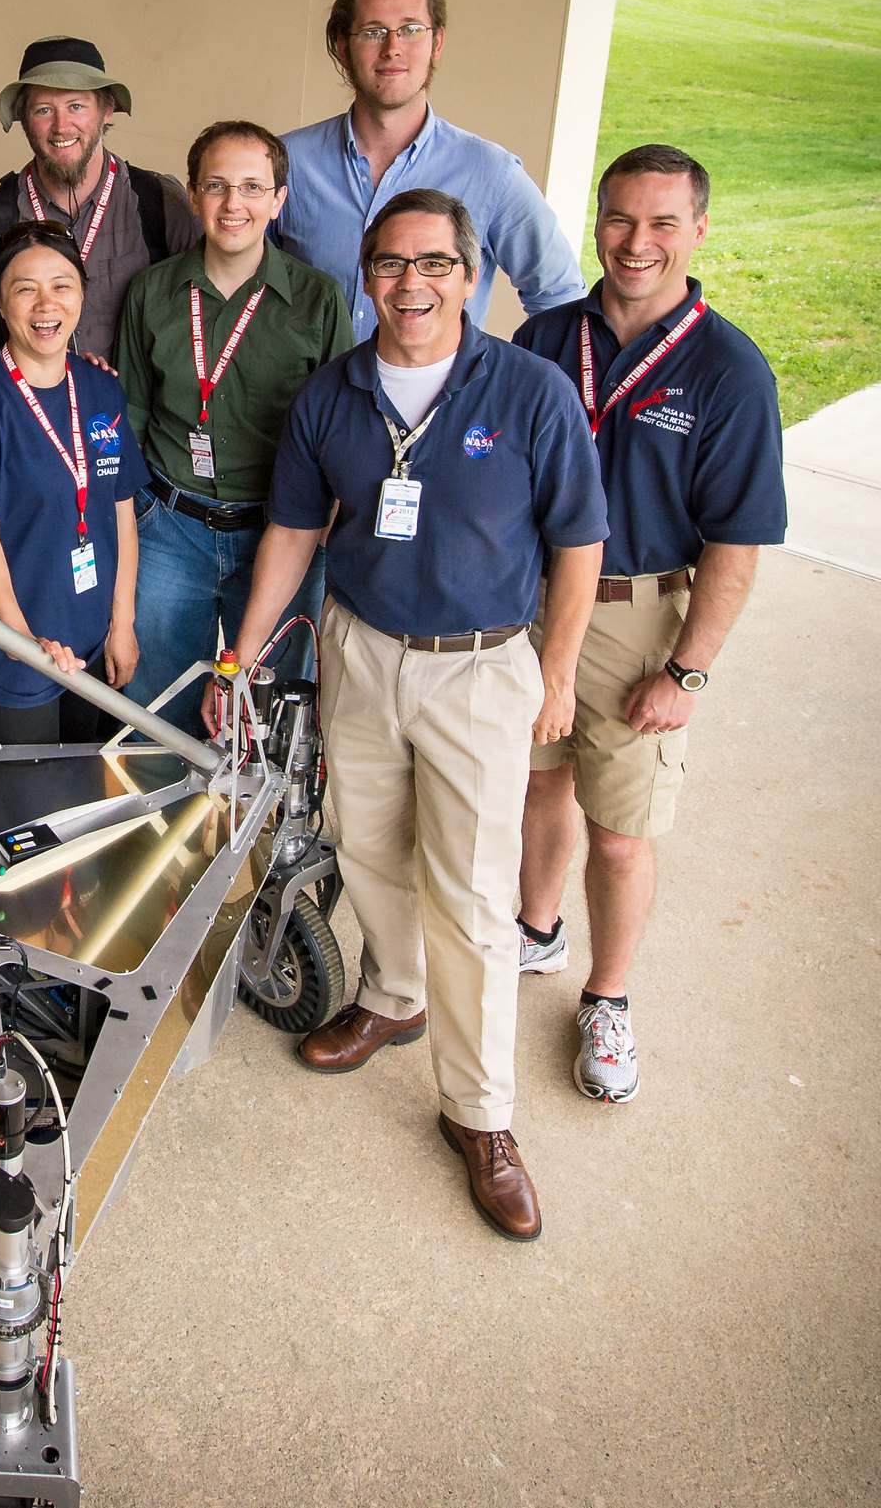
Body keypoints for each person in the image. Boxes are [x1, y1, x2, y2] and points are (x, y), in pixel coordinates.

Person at [224, 188, 606, 1242]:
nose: (410, 285)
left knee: (474, 898)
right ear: (365, 275)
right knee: (371, 849)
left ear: (469, 274)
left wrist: (559, 672)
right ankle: (393, 994)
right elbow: (294, 536)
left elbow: (578, 543)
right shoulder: (330, 395)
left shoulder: (527, 391)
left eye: (432, 263)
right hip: (358, 649)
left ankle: (477, 1115)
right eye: (389, 264)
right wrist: (243, 649)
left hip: (479, 671)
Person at [512, 145, 786, 1104]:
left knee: (620, 830)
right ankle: (534, 929)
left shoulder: (728, 370)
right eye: (621, 219)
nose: (637, 243)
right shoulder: (546, 339)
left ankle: (610, 997)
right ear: (597, 219)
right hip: (536, 606)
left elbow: (738, 545)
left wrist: (688, 671)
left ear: (699, 231)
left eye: (663, 223)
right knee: (539, 786)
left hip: (637, 617)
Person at [114, 120, 353, 715]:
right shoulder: (152, 293)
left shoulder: (319, 301)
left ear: (279, 199)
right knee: (156, 714)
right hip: (171, 530)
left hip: (280, 534)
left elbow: (341, 435)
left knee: (269, 718)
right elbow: (131, 420)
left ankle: (252, 814)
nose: (233, 203)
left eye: (252, 187)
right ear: (193, 196)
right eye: (216, 186)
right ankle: (165, 812)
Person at [276, 0, 585, 343]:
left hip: (443, 402)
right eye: (373, 32)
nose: (392, 48)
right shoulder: (286, 163)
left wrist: (510, 388)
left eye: (410, 30)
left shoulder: (490, 172)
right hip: (308, 401)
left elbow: (562, 302)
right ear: (343, 47)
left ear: (436, 43)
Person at [0, 221, 145, 744]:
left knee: (91, 791)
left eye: (61, 285)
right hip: (19, 649)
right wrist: (19, 638)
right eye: (25, 289)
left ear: (81, 294)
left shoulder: (100, 387)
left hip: (94, 637)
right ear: (0, 305)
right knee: (30, 806)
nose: (45, 304)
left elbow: (119, 511)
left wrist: (123, 623)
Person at [0, 37, 197, 364]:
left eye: (76, 106)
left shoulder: (162, 203)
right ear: (24, 120)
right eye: (43, 110)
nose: (61, 126)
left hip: (133, 412)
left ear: (107, 110)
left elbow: (195, 324)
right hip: (26, 409)